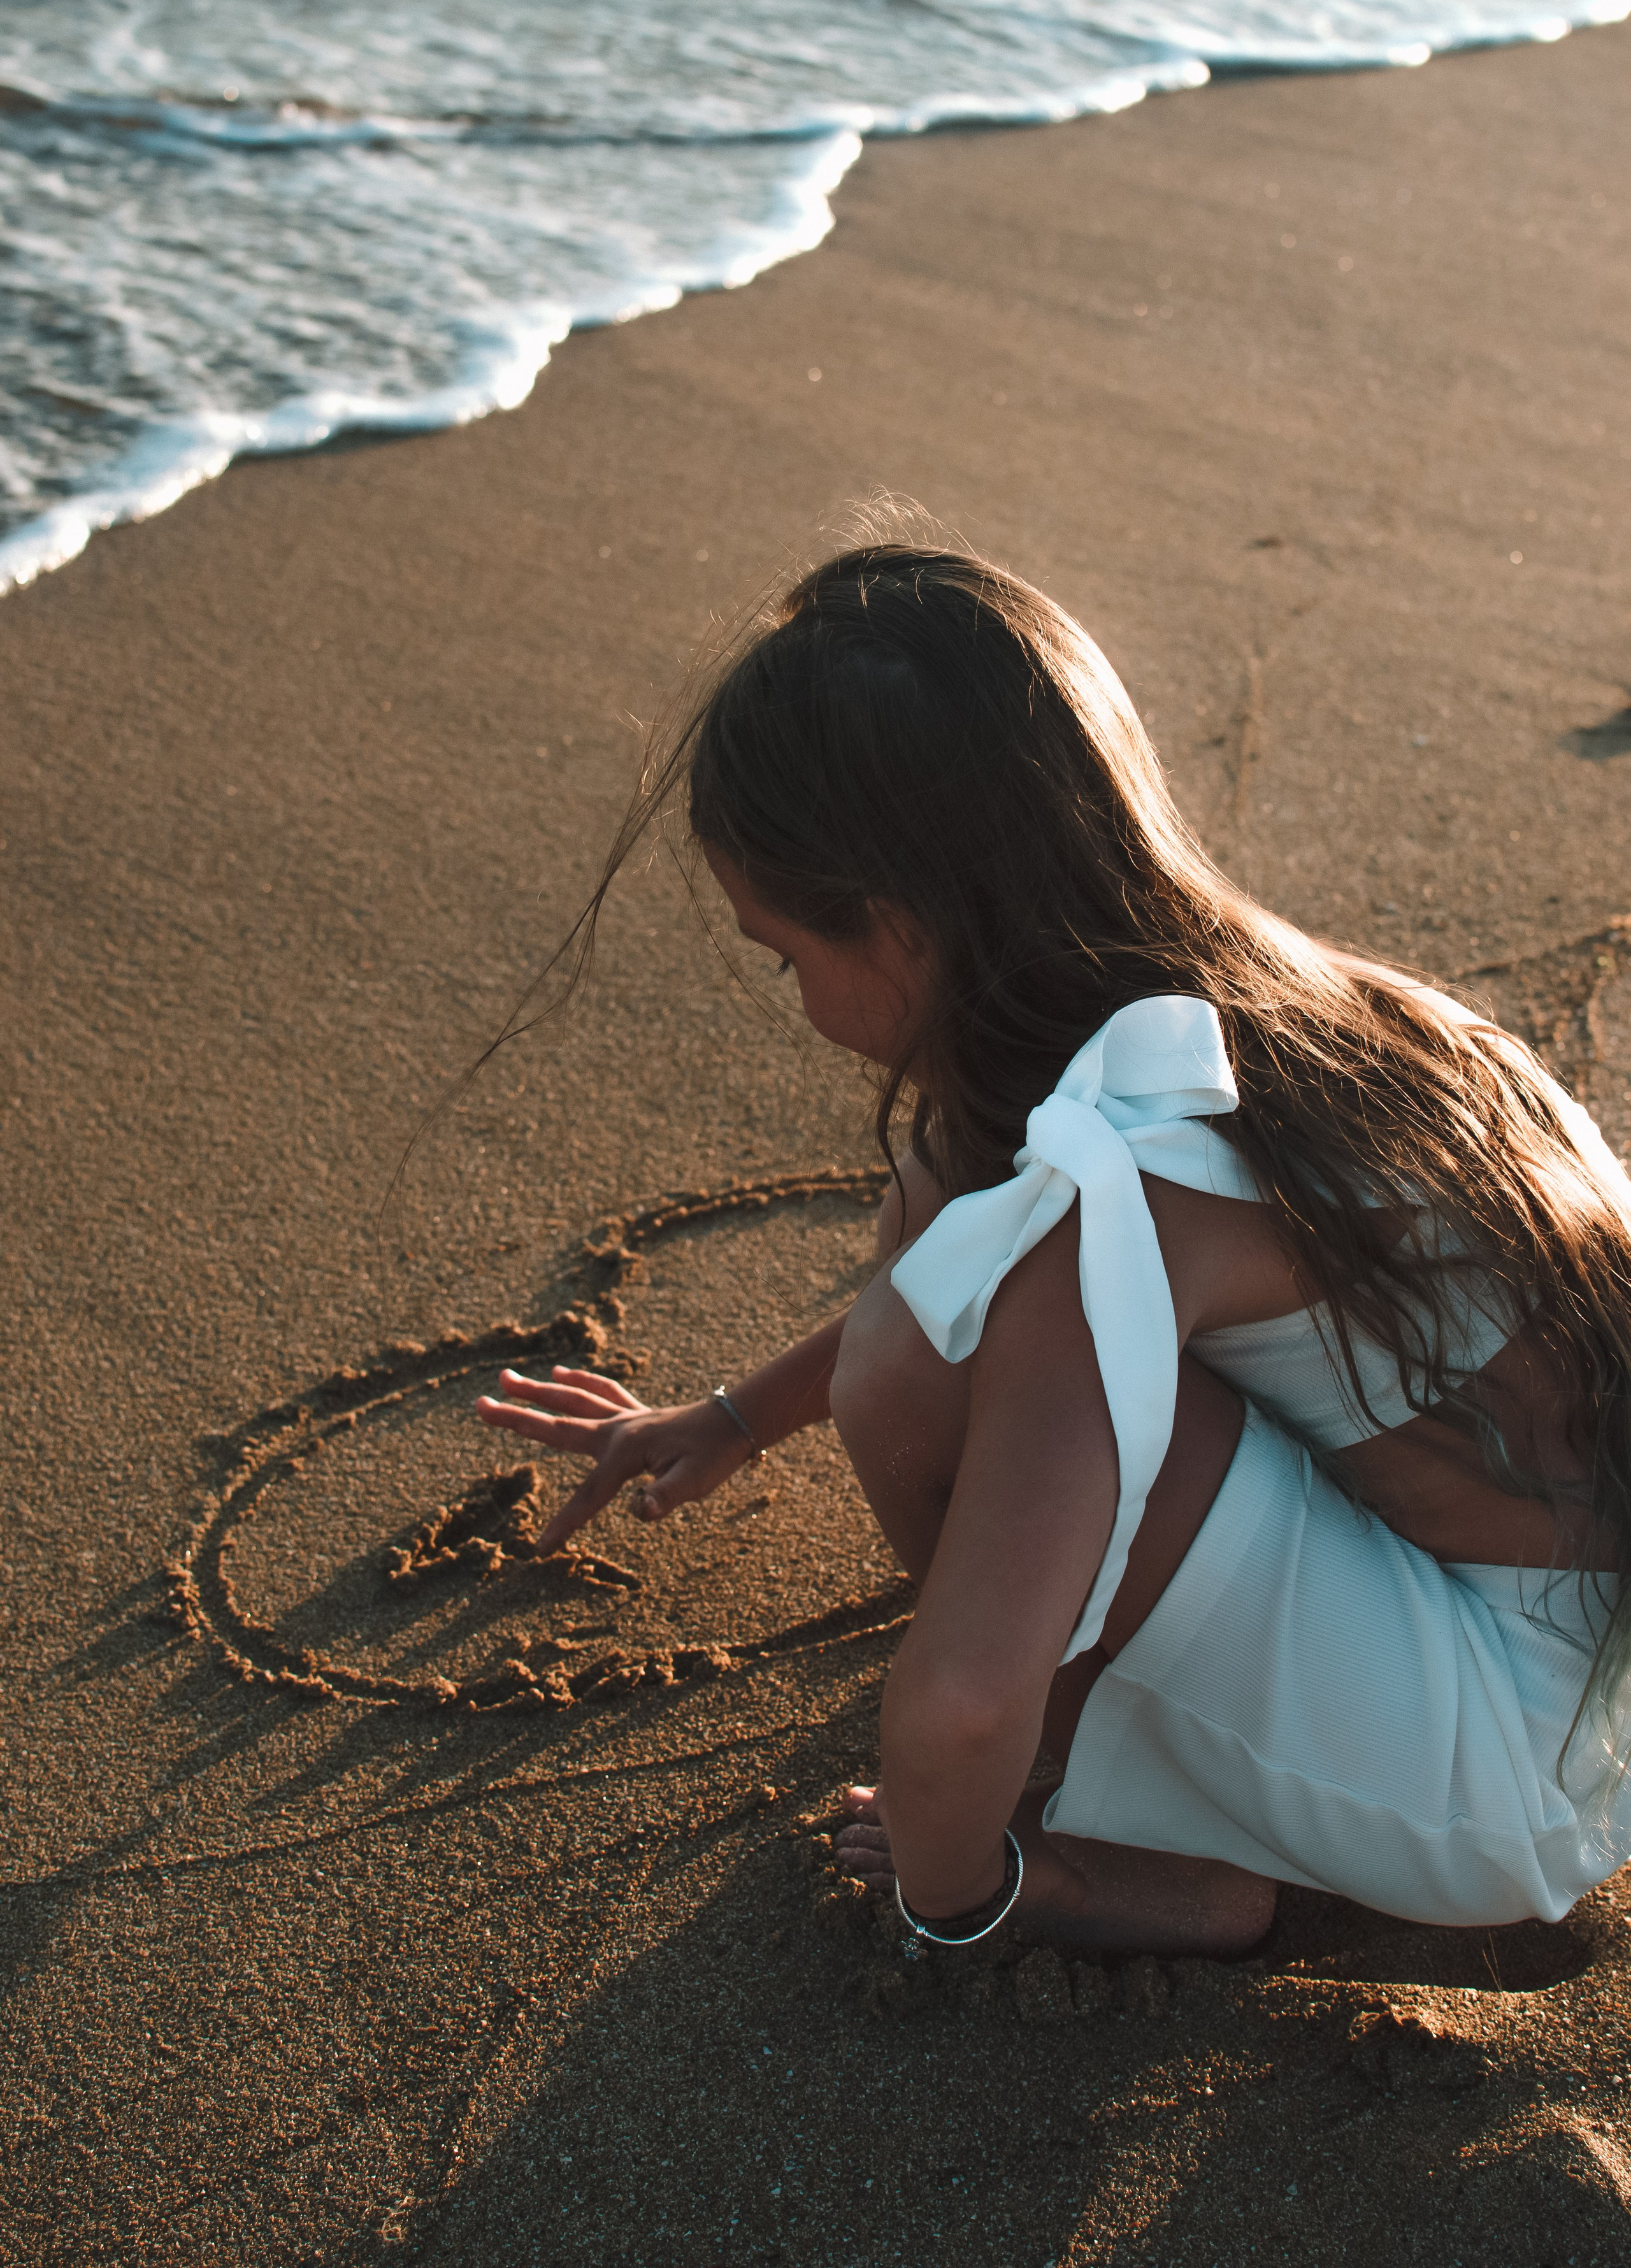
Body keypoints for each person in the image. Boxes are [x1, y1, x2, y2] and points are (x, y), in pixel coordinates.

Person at [475, 543, 1631, 1954]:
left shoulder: (1116, 1197)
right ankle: (1166, 1764)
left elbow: (958, 1706)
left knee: (912, 1364)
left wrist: (960, 1889)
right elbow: (986, 1263)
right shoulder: (1295, 1020)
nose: (794, 995)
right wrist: (734, 1414)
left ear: (897, 928)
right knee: (953, 1224)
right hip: (1581, 1667)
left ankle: (1131, 1847)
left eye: (784, 955)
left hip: (1496, 1789)